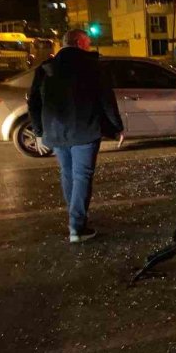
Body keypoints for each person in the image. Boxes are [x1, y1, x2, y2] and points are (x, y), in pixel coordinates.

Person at [28, 29, 124, 243]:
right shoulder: (92, 66)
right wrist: (117, 127)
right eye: (88, 42)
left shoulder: (46, 68)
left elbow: (34, 102)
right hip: (85, 129)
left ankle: (75, 221)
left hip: (56, 131)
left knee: (68, 174)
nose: (89, 46)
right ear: (80, 42)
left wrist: (39, 132)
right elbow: (106, 99)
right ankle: (77, 226)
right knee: (82, 176)